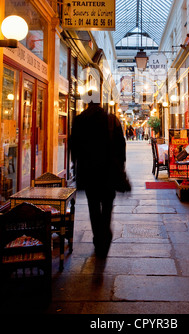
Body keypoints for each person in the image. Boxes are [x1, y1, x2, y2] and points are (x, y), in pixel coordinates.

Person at [69, 99, 126, 258]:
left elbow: (73, 146)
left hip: (89, 173)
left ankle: (97, 237)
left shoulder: (79, 120)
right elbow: (121, 146)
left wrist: (76, 164)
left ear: (88, 104)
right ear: (100, 104)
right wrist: (121, 167)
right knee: (107, 205)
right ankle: (105, 235)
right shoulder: (111, 119)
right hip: (108, 172)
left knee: (93, 206)